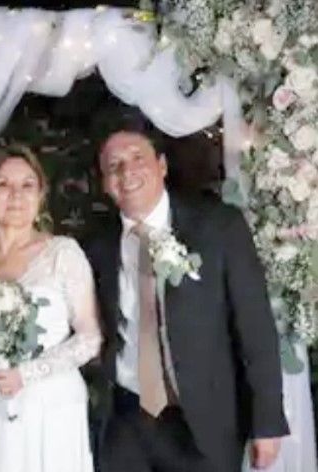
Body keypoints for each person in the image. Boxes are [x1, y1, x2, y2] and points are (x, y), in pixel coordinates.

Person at [85, 125, 289, 472]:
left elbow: (255, 326)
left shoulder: (218, 226)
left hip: (204, 425)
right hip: (125, 421)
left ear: (162, 165)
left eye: (137, 158)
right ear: (106, 183)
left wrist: (266, 422)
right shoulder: (97, 246)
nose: (127, 172)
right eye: (113, 166)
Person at [0, 144, 102, 472]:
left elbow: (89, 338)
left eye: (27, 185)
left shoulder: (62, 253)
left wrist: (26, 374)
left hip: (50, 407)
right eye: (4, 184)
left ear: (40, 196)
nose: (16, 195)